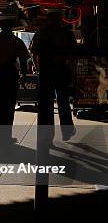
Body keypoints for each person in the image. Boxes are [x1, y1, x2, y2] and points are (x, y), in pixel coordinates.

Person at [30, 9, 78, 140]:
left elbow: (33, 53)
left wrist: (37, 68)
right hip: (61, 71)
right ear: (60, 18)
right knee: (63, 101)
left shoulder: (41, 33)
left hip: (45, 72)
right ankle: (67, 131)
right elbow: (73, 57)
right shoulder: (67, 34)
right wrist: (73, 75)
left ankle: (48, 135)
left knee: (46, 105)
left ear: (48, 19)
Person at [0, 17, 30, 142]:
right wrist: (24, 76)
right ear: (11, 27)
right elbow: (24, 60)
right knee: (9, 105)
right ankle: (6, 135)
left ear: (1, 26)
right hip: (10, 74)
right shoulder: (16, 41)